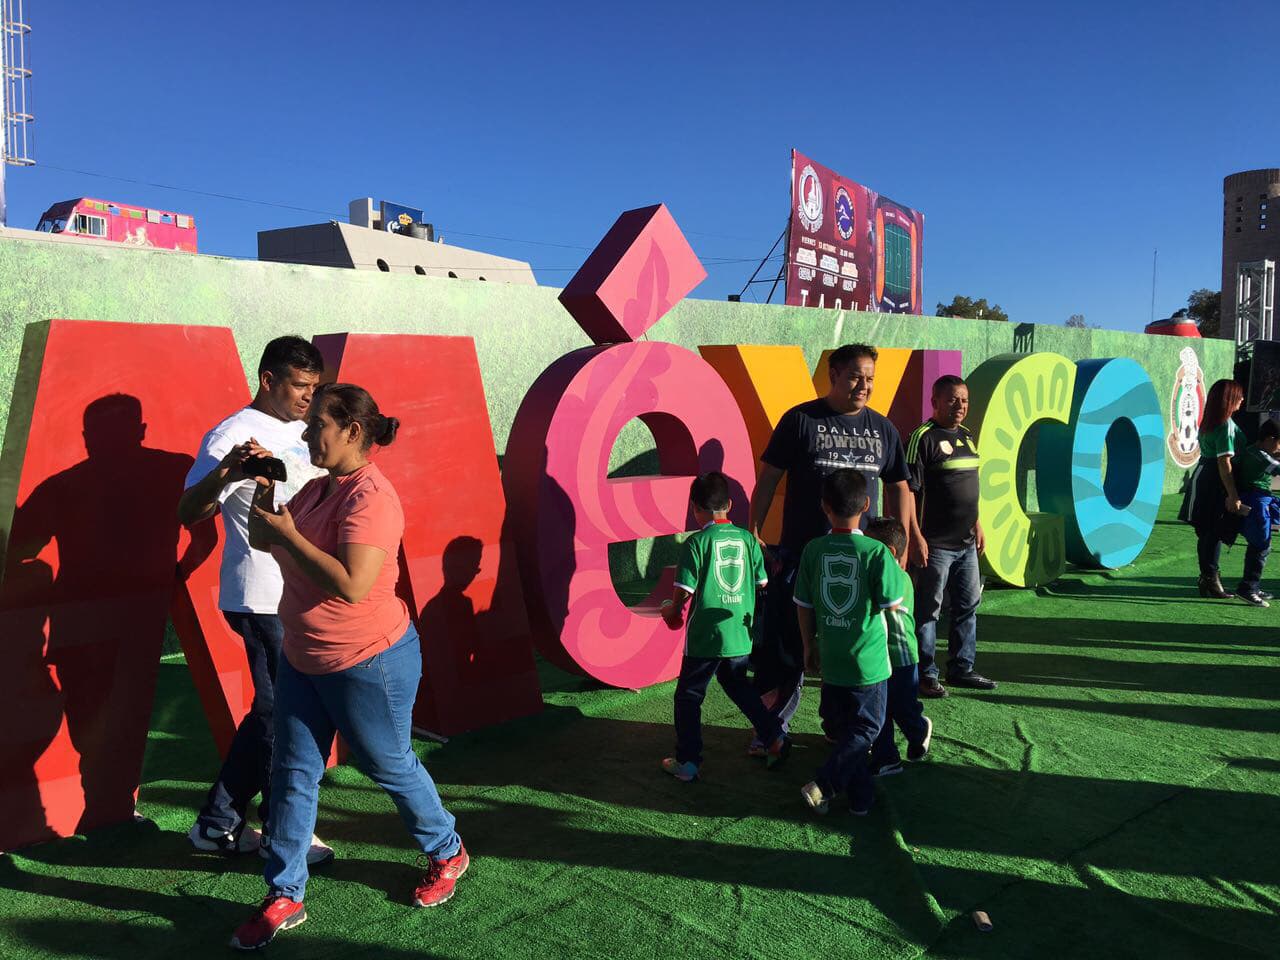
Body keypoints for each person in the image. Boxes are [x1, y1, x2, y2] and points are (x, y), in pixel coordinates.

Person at [229, 383, 466, 950]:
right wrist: (269, 508)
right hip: (304, 657)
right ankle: (284, 892)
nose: (308, 435)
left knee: (389, 766)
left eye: (318, 427)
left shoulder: (372, 498)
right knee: (291, 773)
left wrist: (284, 535)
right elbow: (275, 546)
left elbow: (354, 584)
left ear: (353, 432)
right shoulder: (314, 490)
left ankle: (447, 850)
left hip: (369, 661)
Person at [177, 336, 332, 860]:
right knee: (281, 712)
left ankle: (217, 824)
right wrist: (230, 471)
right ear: (268, 380)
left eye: (315, 387)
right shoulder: (231, 434)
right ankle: (284, 832)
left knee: (274, 710)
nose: (309, 397)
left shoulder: (308, 429)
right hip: (261, 595)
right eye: (299, 385)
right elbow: (189, 511)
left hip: (307, 591)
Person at [748, 343, 913, 753]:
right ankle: (771, 730)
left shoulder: (883, 429)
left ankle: (846, 729)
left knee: (855, 649)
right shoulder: (800, 420)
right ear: (833, 375)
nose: (864, 385)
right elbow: (769, 478)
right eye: (856, 375)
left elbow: (899, 486)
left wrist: (907, 538)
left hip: (860, 569)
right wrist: (753, 530)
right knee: (786, 647)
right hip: (801, 556)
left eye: (871, 378)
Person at [659, 472, 789, 781]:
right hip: (739, 634)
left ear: (694, 507)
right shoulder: (747, 539)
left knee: (689, 697)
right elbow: (762, 583)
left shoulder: (696, 543)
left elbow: (684, 592)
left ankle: (688, 762)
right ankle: (775, 737)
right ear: (729, 504)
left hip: (706, 636)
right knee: (738, 686)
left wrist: (671, 611)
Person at [794, 470, 900, 817]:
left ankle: (860, 801)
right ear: (867, 504)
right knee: (867, 729)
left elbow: (804, 605)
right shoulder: (877, 552)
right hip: (868, 663)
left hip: (832, 659)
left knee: (846, 734)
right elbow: (892, 602)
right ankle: (823, 784)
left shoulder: (813, 549)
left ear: (824, 506)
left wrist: (809, 646)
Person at [905, 375, 995, 697]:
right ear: (936, 401)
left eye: (965, 400)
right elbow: (909, 494)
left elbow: (971, 489)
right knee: (929, 610)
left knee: (968, 605)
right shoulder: (922, 438)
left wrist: (979, 523)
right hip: (936, 544)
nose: (960, 406)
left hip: (967, 543)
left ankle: (961, 668)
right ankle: (925, 674)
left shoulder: (968, 437)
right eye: (953, 400)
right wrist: (915, 537)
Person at [864, 517, 933, 776]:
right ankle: (886, 757)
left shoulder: (897, 577)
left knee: (901, 707)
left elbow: (883, 602)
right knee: (879, 709)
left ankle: (919, 728)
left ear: (889, 552)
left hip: (901, 656)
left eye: (870, 544)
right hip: (879, 656)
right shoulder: (879, 571)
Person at [1179, 379, 1245, 599]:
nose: (1242, 399)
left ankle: (1208, 578)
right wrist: (1232, 494)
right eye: (1239, 396)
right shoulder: (1225, 424)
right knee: (1213, 531)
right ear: (1229, 399)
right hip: (1214, 481)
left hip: (1204, 477)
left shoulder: (1211, 421)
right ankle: (1210, 579)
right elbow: (1223, 462)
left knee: (1207, 531)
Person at [1232, 417, 1280, 607]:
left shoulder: (1255, 451)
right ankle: (1248, 588)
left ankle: (1252, 585)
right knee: (1261, 544)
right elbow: (1277, 468)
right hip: (1255, 501)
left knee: (1261, 544)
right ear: (1269, 439)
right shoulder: (1259, 456)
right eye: (1279, 443)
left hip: (1259, 499)